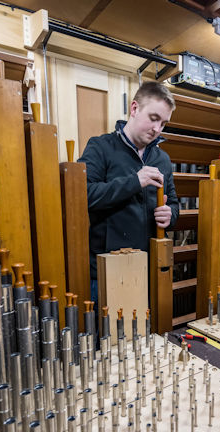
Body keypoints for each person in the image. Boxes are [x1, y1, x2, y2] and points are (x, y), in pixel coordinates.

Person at [79, 81, 180, 304]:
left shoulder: (162, 159)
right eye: (154, 119)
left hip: (147, 268)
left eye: (163, 123)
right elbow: (83, 195)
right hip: (105, 271)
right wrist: (135, 181)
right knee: (105, 339)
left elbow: (172, 202)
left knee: (144, 337)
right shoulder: (100, 147)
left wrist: (169, 215)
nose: (157, 129)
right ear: (134, 109)